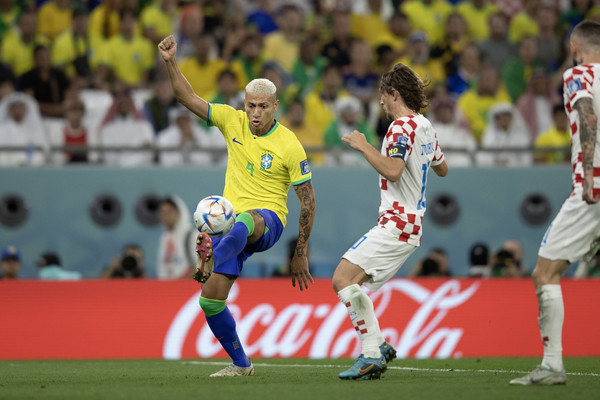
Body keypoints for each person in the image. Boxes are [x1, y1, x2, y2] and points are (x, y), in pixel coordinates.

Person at [158, 34, 316, 377]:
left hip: (267, 221)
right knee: (210, 301)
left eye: (263, 107)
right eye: (251, 106)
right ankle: (242, 365)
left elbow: (308, 201)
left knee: (246, 218)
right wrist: (171, 62)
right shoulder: (232, 121)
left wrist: (300, 251)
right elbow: (185, 97)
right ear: (244, 104)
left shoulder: (289, 145)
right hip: (231, 229)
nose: (255, 113)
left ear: (275, 106)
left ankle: (210, 256)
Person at [331, 62, 448, 380]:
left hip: (398, 222)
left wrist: (364, 146)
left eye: (382, 95)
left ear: (394, 93)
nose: (380, 102)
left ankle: (371, 354)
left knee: (343, 279)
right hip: (411, 224)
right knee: (353, 282)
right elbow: (442, 168)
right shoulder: (424, 125)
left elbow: (394, 171)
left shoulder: (400, 128)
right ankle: (379, 345)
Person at [509, 20, 600, 386]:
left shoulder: (578, 75)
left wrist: (589, 174)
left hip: (593, 191)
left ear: (574, 48)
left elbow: (587, 115)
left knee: (545, 273)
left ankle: (552, 365)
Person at [157, 196, 196, 279]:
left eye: (168, 212)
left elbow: (200, 266)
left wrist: (179, 281)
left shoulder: (191, 235)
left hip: (187, 285)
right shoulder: (164, 237)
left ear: (179, 212)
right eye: (162, 213)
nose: (165, 216)